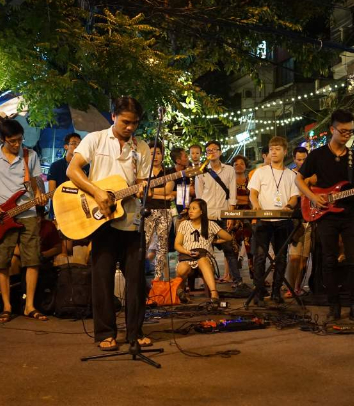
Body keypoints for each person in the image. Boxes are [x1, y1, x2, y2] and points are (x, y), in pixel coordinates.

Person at [66, 97, 152, 351]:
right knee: (102, 279)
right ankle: (106, 333)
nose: (130, 128)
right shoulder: (95, 139)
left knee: (137, 281)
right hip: (100, 220)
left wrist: (142, 189)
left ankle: (135, 332)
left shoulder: (142, 147)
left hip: (131, 222)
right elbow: (73, 170)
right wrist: (97, 192)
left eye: (134, 123)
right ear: (113, 116)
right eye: (125, 122)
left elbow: (140, 182)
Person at [296, 109, 354, 322]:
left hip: (350, 215)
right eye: (343, 131)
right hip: (326, 216)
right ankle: (333, 305)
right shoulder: (317, 155)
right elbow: (298, 180)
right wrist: (313, 198)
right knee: (329, 260)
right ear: (332, 130)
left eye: (350, 132)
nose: (347, 135)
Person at [0, 119, 48, 323]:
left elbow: (36, 181)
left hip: (28, 214)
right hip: (0, 216)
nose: (17, 144)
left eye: (19, 140)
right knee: (2, 262)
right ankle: (6, 306)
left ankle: (29, 306)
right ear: (2, 139)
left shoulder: (30, 155)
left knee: (32, 260)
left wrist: (41, 194)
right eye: (12, 141)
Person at [249, 136, 300, 305]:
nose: (274, 152)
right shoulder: (260, 171)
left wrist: (289, 206)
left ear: (285, 152)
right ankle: (258, 292)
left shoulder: (291, 174)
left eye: (278, 149)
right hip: (264, 220)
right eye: (271, 149)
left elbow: (294, 197)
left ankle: (276, 292)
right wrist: (256, 205)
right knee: (260, 257)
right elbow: (253, 193)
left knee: (281, 257)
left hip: (282, 220)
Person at [194, 140, 243, 288]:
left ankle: (237, 281)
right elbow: (199, 197)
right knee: (205, 250)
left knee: (229, 248)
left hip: (222, 214)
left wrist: (230, 215)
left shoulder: (229, 170)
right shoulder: (200, 171)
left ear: (220, 152)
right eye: (208, 150)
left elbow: (232, 195)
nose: (212, 152)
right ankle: (207, 282)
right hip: (207, 216)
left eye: (215, 150)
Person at [174, 199, 234, 303]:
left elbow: (229, 237)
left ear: (202, 211)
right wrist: (187, 252)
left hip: (204, 257)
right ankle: (180, 291)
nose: (190, 211)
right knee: (182, 267)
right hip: (187, 257)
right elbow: (177, 244)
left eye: (194, 208)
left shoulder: (210, 224)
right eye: (190, 209)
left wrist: (215, 240)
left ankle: (214, 294)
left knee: (202, 260)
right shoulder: (184, 224)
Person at [144, 141, 174, 281]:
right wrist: (164, 195)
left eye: (157, 153)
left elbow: (168, 190)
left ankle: (158, 277)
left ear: (162, 155)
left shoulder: (169, 171)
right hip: (147, 211)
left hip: (165, 211)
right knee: (143, 243)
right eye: (151, 153)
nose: (155, 156)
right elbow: (141, 192)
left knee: (162, 245)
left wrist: (149, 191)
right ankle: (140, 273)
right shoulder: (143, 171)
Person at [287, 147, 314, 297]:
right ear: (294, 159)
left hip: (311, 218)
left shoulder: (314, 175)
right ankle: (290, 288)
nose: (302, 162)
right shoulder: (291, 175)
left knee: (304, 259)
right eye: (299, 159)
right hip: (296, 221)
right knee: (294, 257)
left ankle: (297, 287)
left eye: (304, 159)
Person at [47, 133, 87, 217]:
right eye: (73, 143)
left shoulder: (86, 166)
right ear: (66, 146)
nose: (77, 146)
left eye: (80, 144)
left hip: (78, 210)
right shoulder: (55, 166)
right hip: (59, 211)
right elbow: (51, 193)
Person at [231, 155, 254, 280]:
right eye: (236, 164)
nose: (239, 166)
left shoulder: (250, 181)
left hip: (248, 216)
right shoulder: (229, 181)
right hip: (233, 216)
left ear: (245, 166)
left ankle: (255, 276)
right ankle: (236, 279)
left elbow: (252, 198)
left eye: (241, 163)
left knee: (250, 247)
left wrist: (236, 199)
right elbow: (228, 199)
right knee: (234, 248)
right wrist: (242, 199)